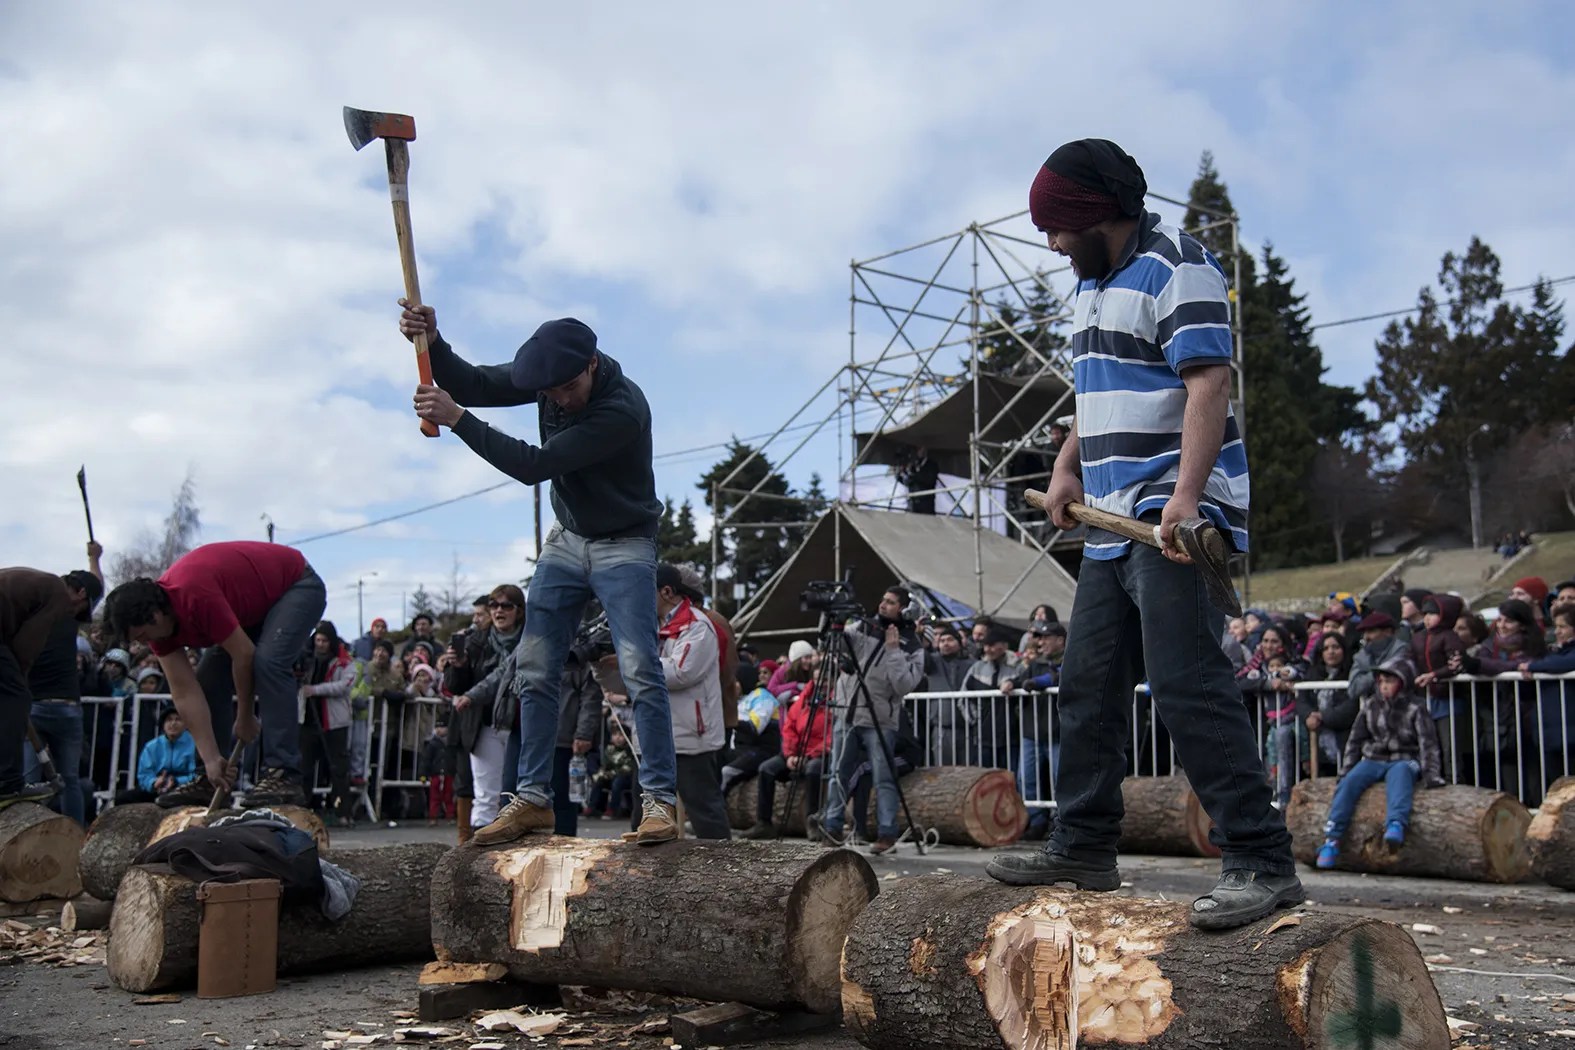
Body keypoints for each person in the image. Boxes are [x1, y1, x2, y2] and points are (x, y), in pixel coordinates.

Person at [986, 139, 1302, 930]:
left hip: (1170, 519)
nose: (1052, 243)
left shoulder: (1177, 266)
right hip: (1107, 526)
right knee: (1086, 692)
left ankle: (1261, 861)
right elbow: (1092, 394)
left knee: (1187, 686)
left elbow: (1208, 382)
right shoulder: (1091, 288)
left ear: (1097, 213)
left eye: (1057, 228)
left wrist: (1187, 499)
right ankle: (1083, 844)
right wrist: (1066, 469)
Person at [399, 302, 679, 845]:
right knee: (533, 666)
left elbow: (532, 464)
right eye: (549, 391)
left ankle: (662, 802)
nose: (558, 398)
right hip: (568, 539)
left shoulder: (622, 409)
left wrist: (456, 418)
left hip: (625, 542)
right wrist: (432, 341)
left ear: (592, 364)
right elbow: (476, 382)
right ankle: (531, 799)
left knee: (641, 666)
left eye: (568, 388)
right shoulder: (551, 377)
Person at [102, 541, 327, 808]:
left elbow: (243, 656)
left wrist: (244, 716)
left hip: (296, 585)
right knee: (208, 675)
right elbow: (184, 692)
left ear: (155, 615)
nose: (144, 642)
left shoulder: (193, 595)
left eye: (142, 635)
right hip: (254, 607)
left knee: (269, 662)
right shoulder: (159, 631)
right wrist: (210, 758)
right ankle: (209, 780)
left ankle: (283, 773)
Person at [814, 587, 925, 854]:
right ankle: (832, 826)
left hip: (880, 719)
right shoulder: (862, 627)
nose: (883, 604)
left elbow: (904, 685)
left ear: (903, 609)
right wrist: (832, 619)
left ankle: (887, 834)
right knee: (837, 773)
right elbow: (831, 643)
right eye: (883, 599)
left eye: (890, 602)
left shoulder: (912, 643)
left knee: (883, 777)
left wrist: (893, 650)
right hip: (848, 712)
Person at [1315, 657, 1443, 868]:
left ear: (1403, 682)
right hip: (1375, 758)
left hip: (1405, 758)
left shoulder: (1416, 708)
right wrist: (1346, 770)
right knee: (1351, 782)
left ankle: (1395, 824)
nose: (1384, 686)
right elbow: (1355, 740)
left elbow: (1428, 743)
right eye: (1381, 681)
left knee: (1400, 776)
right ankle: (1332, 838)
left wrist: (1432, 775)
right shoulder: (1371, 705)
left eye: (1390, 681)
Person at [1, 561, 102, 810]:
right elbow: (25, 647)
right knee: (16, 697)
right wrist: (19, 684)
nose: (71, 616)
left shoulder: (37, 584)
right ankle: (6, 783)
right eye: (78, 612)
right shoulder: (57, 594)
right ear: (80, 593)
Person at [445, 585, 524, 839]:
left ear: (519, 611)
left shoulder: (530, 640)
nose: (499, 611)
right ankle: (479, 854)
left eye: (506, 606)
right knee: (486, 793)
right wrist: (458, 666)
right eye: (494, 605)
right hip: (484, 724)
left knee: (516, 792)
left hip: (519, 724)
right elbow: (455, 686)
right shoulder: (474, 641)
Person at [743, 676, 830, 840]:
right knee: (766, 769)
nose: (823, 684)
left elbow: (832, 736)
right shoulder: (804, 699)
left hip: (819, 754)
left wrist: (809, 755)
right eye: (819, 680)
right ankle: (764, 822)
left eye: (826, 681)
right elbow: (789, 727)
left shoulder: (835, 703)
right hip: (796, 752)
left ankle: (812, 821)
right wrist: (791, 754)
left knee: (813, 770)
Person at [298, 621, 356, 826]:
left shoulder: (344, 662)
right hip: (308, 721)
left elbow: (345, 685)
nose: (320, 644)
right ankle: (302, 810)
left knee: (338, 768)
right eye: (318, 640)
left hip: (334, 722)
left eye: (324, 641)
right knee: (304, 768)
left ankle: (342, 811)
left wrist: (316, 690)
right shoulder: (307, 660)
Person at [136, 706, 199, 796]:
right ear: (163, 725)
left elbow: (197, 775)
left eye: (178, 720)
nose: (173, 723)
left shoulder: (195, 745)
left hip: (185, 789)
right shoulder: (151, 746)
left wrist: (176, 781)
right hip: (157, 788)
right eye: (169, 720)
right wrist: (154, 783)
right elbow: (144, 774)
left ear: (185, 725)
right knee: (124, 798)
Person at [420, 723, 457, 825]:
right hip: (435, 774)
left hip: (448, 774)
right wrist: (423, 774)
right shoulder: (432, 744)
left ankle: (450, 816)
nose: (440, 730)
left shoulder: (451, 743)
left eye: (443, 727)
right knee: (434, 797)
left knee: (448, 796)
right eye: (438, 727)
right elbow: (426, 760)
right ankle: (433, 817)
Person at [896, 446, 941, 515]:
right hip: (913, 502)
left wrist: (914, 475)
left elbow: (930, 481)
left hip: (926, 503)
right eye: (918, 449)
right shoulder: (914, 465)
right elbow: (909, 482)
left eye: (922, 449)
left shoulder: (932, 465)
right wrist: (900, 476)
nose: (920, 451)